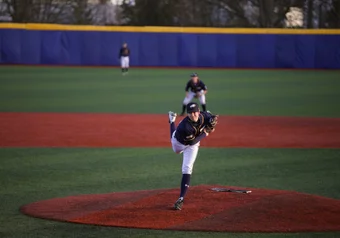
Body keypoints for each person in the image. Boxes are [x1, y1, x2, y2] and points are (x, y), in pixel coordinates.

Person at [168, 103, 218, 210]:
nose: (193, 114)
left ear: (198, 111)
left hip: (193, 144)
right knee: (175, 147)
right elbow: (192, 141)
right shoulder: (185, 127)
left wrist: (212, 121)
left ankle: (181, 198)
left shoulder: (204, 115)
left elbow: (212, 117)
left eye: (195, 112)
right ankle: (172, 121)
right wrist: (206, 132)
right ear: (188, 114)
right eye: (190, 113)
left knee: (187, 168)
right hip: (179, 142)